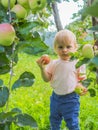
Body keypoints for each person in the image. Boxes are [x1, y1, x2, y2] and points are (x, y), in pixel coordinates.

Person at [36, 29, 88, 130]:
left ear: (75, 47)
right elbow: (46, 79)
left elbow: (82, 80)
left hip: (71, 99)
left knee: (72, 123)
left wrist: (81, 86)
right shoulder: (54, 63)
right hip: (56, 98)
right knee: (54, 121)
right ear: (55, 48)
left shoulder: (78, 63)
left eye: (68, 47)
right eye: (60, 47)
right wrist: (42, 69)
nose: (64, 50)